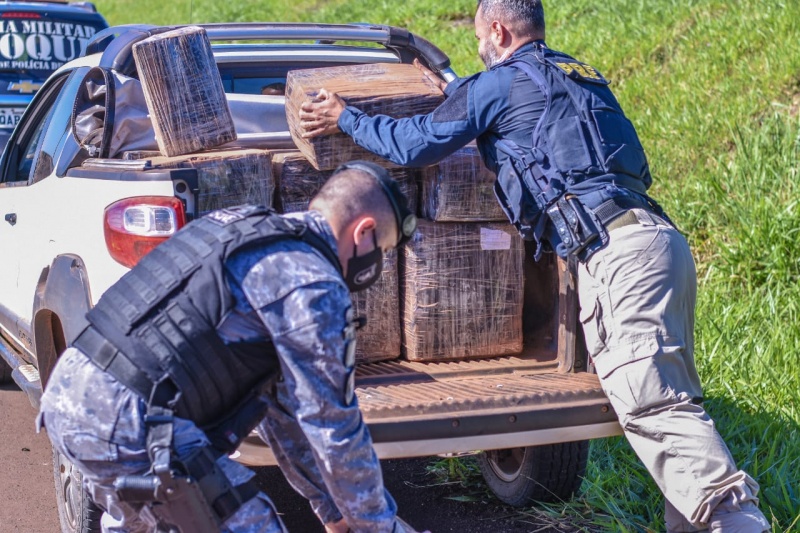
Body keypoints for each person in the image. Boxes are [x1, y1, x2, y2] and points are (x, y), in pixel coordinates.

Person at [298, 1, 770, 531]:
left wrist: (344, 116)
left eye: (480, 37)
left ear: (496, 31)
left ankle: (738, 521)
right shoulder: (579, 75)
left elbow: (414, 144)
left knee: (655, 408)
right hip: (660, 244)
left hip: (615, 254)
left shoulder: (498, 85)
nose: (480, 48)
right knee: (672, 399)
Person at [37, 162, 421, 533]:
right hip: (130, 419)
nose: (379, 262)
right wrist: (378, 526)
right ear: (364, 232)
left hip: (70, 392)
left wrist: (333, 509)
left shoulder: (244, 226)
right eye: (384, 250)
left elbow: (283, 412)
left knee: (150, 521)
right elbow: (335, 428)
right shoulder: (312, 282)